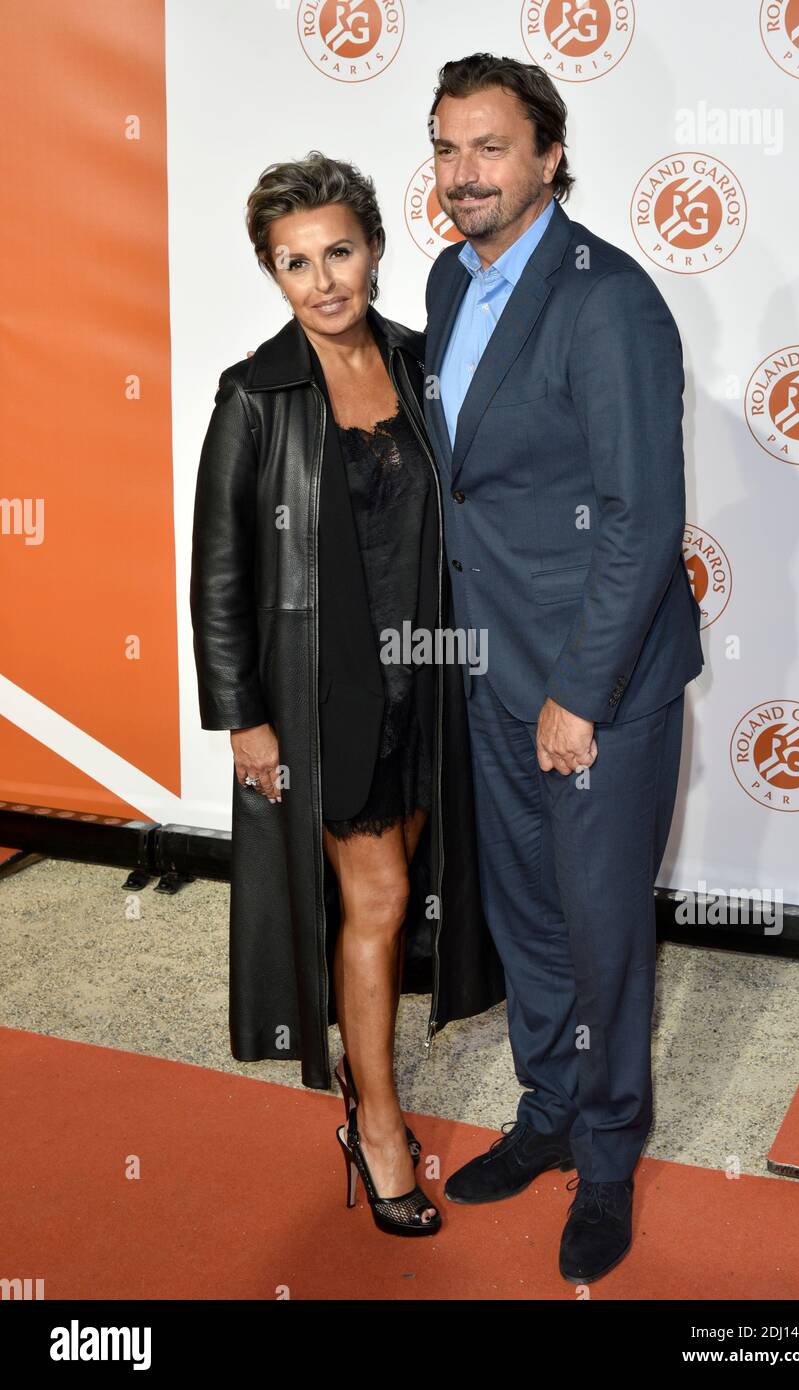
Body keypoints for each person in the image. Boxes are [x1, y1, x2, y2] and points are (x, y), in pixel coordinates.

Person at [422, 54, 704, 1281]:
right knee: (528, 919)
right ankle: (545, 1113)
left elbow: (642, 517)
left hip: (599, 686)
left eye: (490, 148)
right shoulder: (446, 277)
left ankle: (604, 1156)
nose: (464, 174)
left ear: (547, 155)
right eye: (445, 147)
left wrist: (580, 696)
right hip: (491, 667)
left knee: (601, 934)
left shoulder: (611, 300)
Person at [189, 153, 504, 1238]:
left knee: (402, 887)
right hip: (328, 701)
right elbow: (220, 571)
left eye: (338, 252)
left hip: (431, 682)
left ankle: (365, 1080)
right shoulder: (256, 394)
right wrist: (244, 716)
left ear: (373, 246)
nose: (323, 281)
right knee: (372, 901)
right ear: (271, 274)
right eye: (295, 263)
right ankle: (376, 1126)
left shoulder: (425, 366)